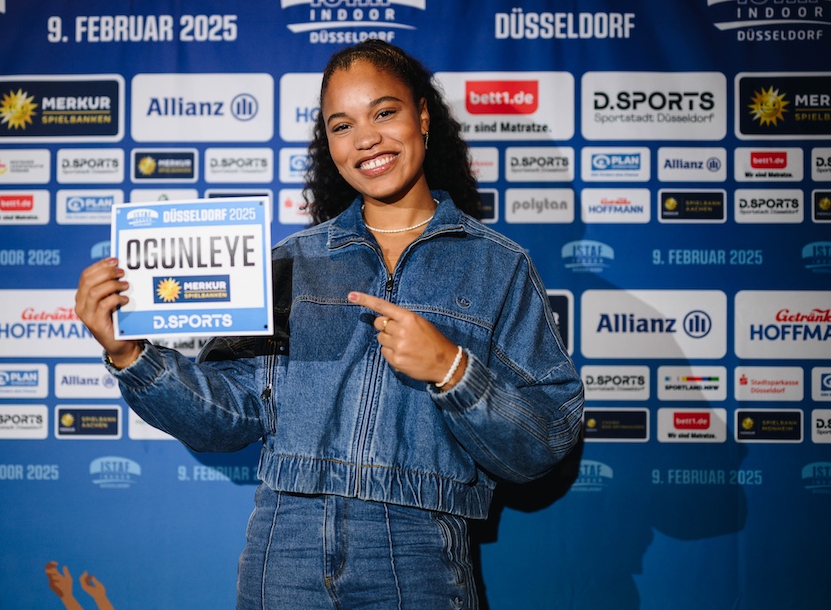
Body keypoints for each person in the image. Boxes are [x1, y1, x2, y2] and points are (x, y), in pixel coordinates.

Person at [75, 39, 584, 609]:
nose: (366, 139)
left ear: (421, 115)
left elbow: (546, 441)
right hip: (283, 549)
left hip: (417, 555)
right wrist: (130, 355)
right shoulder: (292, 262)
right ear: (329, 141)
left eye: (384, 113)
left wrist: (452, 368)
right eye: (342, 125)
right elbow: (230, 416)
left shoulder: (497, 266)